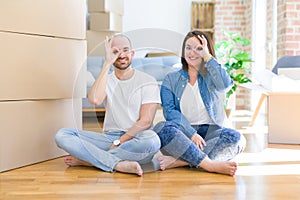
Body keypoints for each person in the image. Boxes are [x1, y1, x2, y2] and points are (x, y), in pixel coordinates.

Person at [55, 34, 161, 176]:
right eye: (115, 51)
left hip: (137, 139)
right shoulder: (107, 80)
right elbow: (94, 99)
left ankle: (90, 160)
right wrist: (107, 63)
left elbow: (146, 121)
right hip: (109, 138)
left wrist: (119, 142)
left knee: (152, 140)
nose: (121, 55)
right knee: (62, 135)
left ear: (132, 54)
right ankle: (117, 163)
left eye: (125, 50)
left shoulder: (148, 80)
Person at [153, 30, 246, 176]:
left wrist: (207, 57)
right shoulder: (170, 79)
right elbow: (170, 112)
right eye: (188, 48)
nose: (192, 53)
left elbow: (226, 85)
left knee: (237, 138)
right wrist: (191, 134)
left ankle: (181, 161)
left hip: (210, 133)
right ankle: (209, 164)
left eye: (199, 48)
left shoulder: (212, 76)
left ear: (206, 50)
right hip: (182, 136)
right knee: (161, 128)